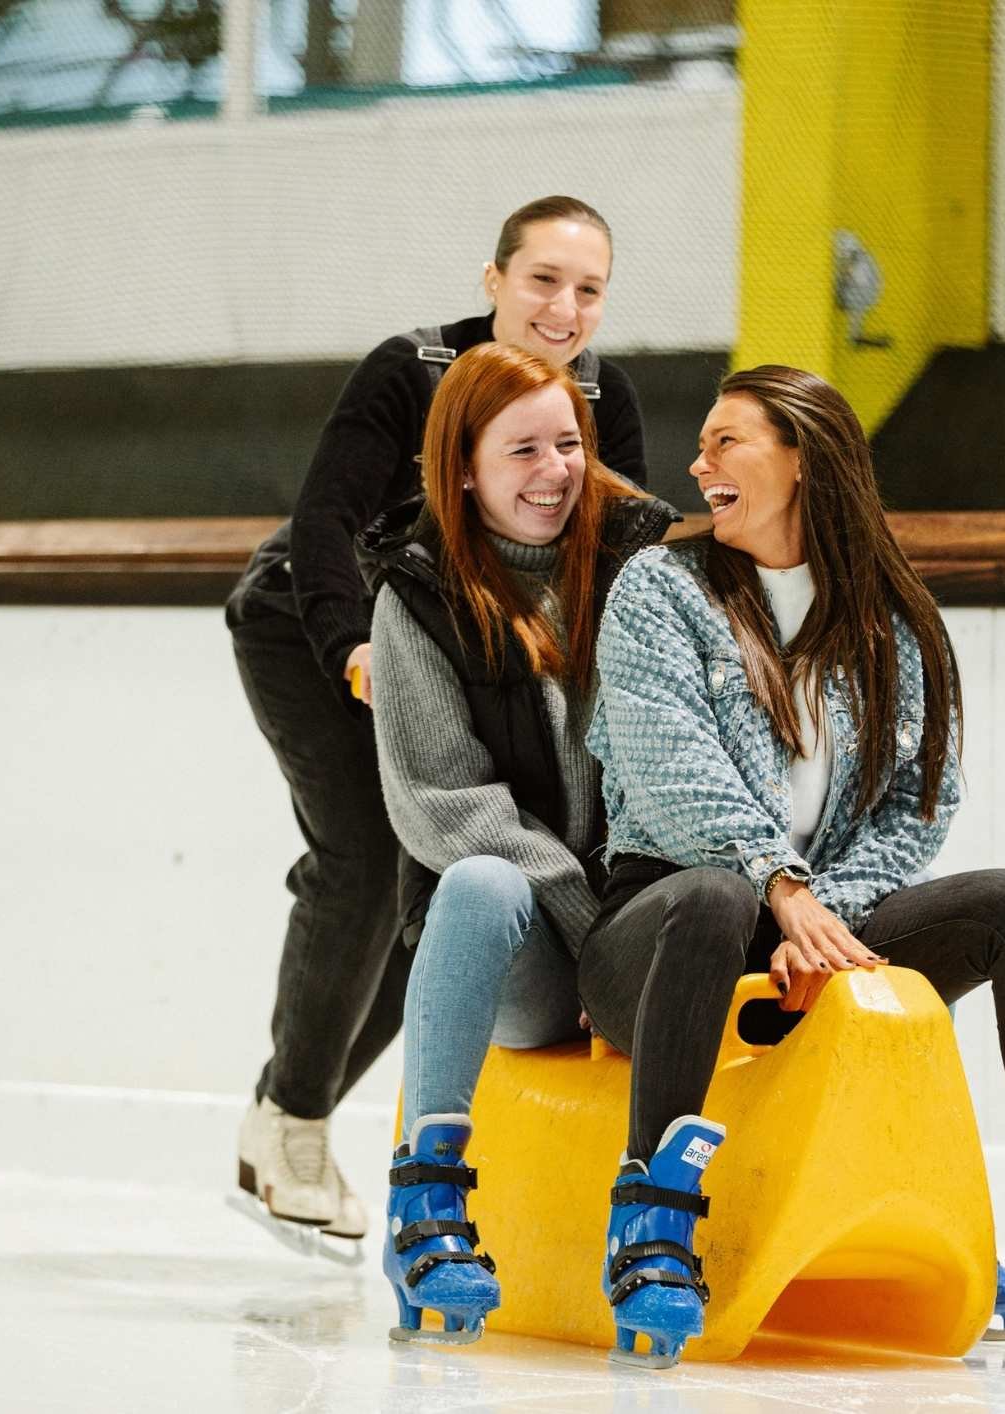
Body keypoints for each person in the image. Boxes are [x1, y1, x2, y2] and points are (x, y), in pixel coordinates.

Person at [577, 366, 1005, 1369]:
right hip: (660, 928)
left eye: (725, 443)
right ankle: (653, 1224)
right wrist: (777, 890)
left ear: (800, 459)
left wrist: (819, 917)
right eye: (700, 446)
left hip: (817, 922)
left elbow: (915, 806)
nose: (698, 466)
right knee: (710, 896)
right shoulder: (658, 592)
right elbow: (671, 777)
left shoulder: (890, 620)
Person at [226, 196, 647, 1251]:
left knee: (443, 895)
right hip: (317, 627)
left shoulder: (600, 396)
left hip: (468, 644)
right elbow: (325, 522)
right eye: (541, 279)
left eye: (587, 288)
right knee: (370, 852)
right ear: (493, 279)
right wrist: (349, 652)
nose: (562, 307)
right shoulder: (407, 371)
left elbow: (618, 546)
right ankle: (294, 1123)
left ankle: (287, 1107)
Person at [357, 341, 676, 1342]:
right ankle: (428, 1205)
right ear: (462, 468)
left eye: (569, 443)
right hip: (535, 952)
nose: (555, 472)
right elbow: (441, 802)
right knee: (483, 879)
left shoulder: (644, 563)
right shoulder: (417, 600)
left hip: (643, 922)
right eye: (522, 450)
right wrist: (576, 912)